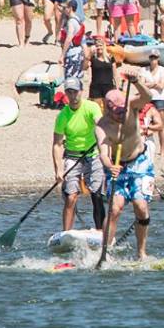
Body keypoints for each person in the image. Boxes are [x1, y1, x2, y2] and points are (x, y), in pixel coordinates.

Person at [98, 71, 158, 258]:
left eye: (122, 110)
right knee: (115, 208)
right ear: (108, 109)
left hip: (141, 163)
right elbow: (103, 153)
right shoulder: (102, 126)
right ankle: (105, 253)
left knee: (140, 207)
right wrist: (110, 165)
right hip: (118, 168)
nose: (120, 114)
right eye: (116, 112)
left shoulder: (131, 104)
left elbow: (148, 96)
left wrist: (137, 81)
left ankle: (141, 252)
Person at [51, 85, 105, 233]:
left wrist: (103, 149)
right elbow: (57, 144)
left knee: (97, 195)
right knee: (71, 197)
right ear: (66, 94)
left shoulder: (92, 107)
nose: (73, 95)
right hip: (72, 156)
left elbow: (100, 124)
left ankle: (100, 232)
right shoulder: (62, 116)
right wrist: (59, 170)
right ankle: (66, 233)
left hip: (93, 153)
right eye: (69, 92)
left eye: (76, 91)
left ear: (81, 92)